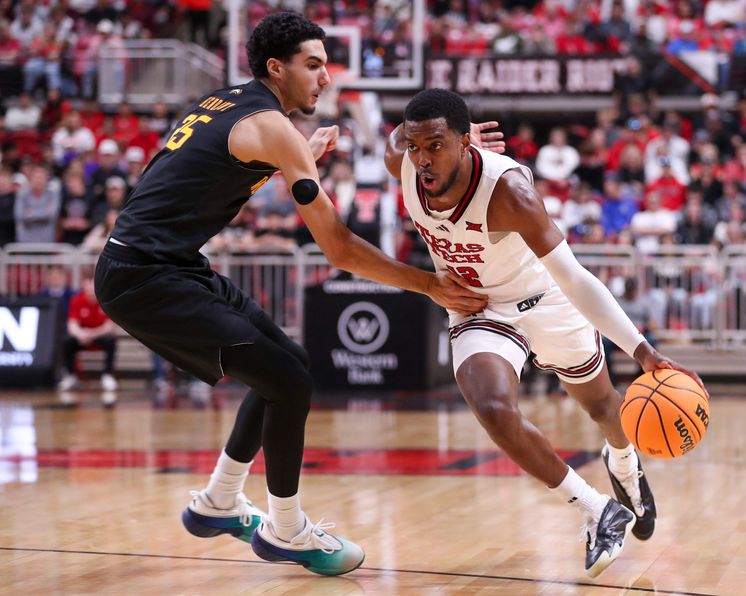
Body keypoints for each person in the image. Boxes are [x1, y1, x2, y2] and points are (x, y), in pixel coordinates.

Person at [93, 12, 488, 577]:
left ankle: (219, 502)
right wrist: (429, 285)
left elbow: (210, 165)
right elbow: (341, 250)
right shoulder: (275, 130)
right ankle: (287, 530)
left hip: (164, 263)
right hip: (145, 276)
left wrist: (299, 157)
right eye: (314, 65)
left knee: (289, 366)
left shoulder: (227, 102)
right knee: (290, 381)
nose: (325, 77)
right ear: (276, 68)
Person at [384, 89, 706, 578]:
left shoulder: (509, 193)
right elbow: (399, 139)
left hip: (546, 297)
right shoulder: (404, 161)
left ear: (465, 143)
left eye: (435, 146)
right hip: (479, 305)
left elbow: (576, 278)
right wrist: (410, 139)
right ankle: (597, 509)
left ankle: (624, 464)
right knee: (492, 407)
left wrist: (642, 350)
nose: (423, 160)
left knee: (601, 405)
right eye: (415, 147)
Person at [59, 273, 118, 393]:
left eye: (93, 284)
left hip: (98, 335)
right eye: (88, 284)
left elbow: (109, 326)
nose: (91, 288)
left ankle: (107, 375)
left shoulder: (105, 300)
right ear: (83, 285)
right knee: (67, 341)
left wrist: (91, 334)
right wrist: (81, 334)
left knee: (111, 340)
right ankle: (70, 376)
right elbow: (72, 325)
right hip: (82, 337)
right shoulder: (77, 300)